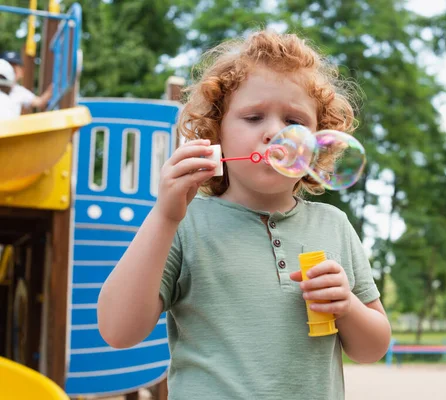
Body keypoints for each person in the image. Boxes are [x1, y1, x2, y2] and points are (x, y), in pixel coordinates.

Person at [97, 30, 391, 399]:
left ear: (319, 141)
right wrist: (164, 217)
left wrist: (346, 306)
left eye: (295, 122)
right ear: (216, 132)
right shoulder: (185, 223)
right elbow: (117, 331)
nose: (275, 133)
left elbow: (372, 348)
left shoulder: (333, 226)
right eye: (253, 117)